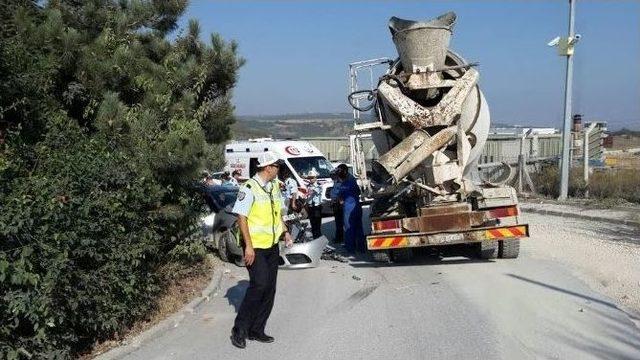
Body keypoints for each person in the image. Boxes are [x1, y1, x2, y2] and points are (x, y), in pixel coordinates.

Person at [230, 152, 293, 349]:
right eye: (277, 166)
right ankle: (239, 329)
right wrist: (248, 246)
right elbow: (241, 217)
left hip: (271, 245)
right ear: (268, 168)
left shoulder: (274, 185)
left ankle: (257, 329)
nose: (279, 170)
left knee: (269, 288)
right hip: (254, 246)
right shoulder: (249, 187)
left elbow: (277, 213)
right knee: (259, 285)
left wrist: (285, 232)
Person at [336, 164, 365, 253]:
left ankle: (350, 248)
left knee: (349, 228)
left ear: (343, 172)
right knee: (359, 227)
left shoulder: (343, 185)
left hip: (348, 209)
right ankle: (361, 248)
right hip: (357, 207)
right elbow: (359, 192)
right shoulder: (353, 181)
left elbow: (340, 200)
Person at [304, 168, 322, 239]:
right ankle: (315, 237)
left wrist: (307, 193)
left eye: (312, 178)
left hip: (317, 207)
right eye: (309, 178)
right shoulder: (308, 186)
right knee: (312, 223)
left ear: (315, 178)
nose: (310, 179)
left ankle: (319, 237)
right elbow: (307, 195)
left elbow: (313, 192)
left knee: (317, 223)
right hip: (310, 206)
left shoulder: (318, 185)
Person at [329, 168, 344, 243]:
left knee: (343, 222)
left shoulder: (342, 182)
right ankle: (339, 238)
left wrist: (341, 199)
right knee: (338, 223)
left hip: (340, 204)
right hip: (335, 204)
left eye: (333, 175)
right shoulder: (335, 182)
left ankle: (345, 238)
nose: (332, 177)